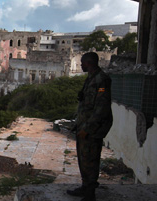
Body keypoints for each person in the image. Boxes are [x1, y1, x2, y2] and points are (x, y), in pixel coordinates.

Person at [67, 52, 113, 201]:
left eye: (82, 63)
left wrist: (87, 128)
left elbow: (101, 108)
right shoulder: (90, 79)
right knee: (83, 158)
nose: (80, 65)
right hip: (84, 125)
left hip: (93, 129)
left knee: (91, 160)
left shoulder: (101, 80)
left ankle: (90, 193)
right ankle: (85, 187)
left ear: (89, 63)